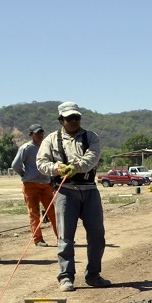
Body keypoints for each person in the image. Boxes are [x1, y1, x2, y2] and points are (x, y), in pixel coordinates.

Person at [35, 102, 109, 292]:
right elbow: (41, 163)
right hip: (65, 191)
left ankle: (93, 275)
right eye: (69, 118)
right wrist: (56, 168)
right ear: (61, 120)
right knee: (65, 236)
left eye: (76, 117)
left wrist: (77, 166)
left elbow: (92, 158)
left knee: (97, 235)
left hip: (89, 190)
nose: (74, 121)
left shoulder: (91, 137)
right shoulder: (50, 140)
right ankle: (66, 276)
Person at [11, 123, 59, 247]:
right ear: (31, 135)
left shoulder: (47, 147)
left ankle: (61, 238)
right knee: (34, 212)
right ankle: (38, 239)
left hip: (46, 184)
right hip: (30, 185)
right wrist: (25, 175)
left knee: (53, 211)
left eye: (41, 133)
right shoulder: (26, 148)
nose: (40, 135)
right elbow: (15, 165)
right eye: (37, 133)